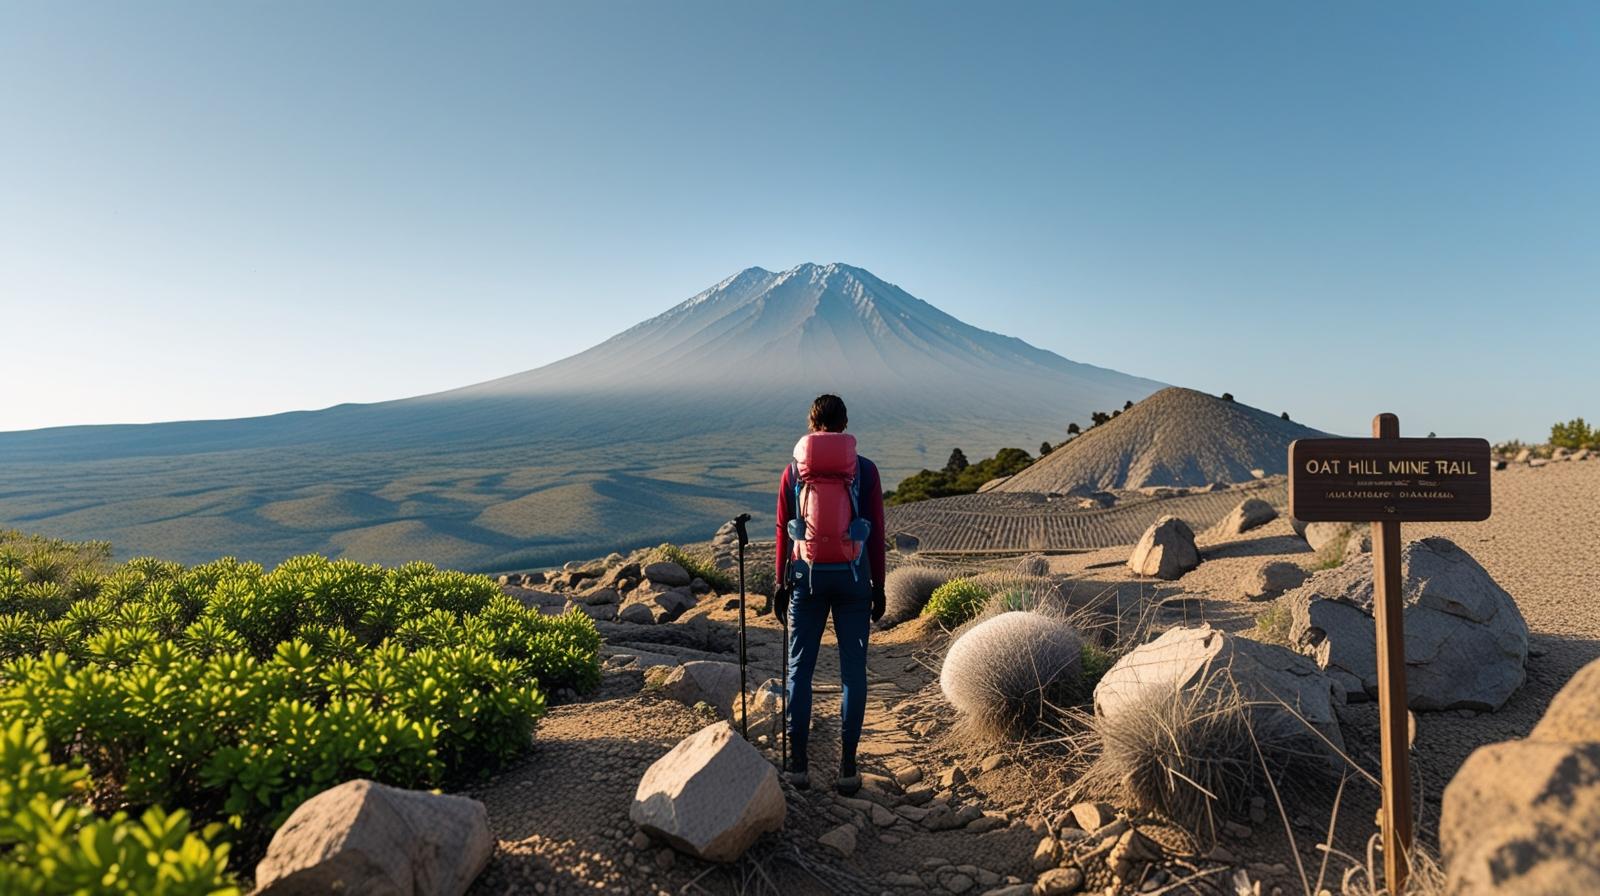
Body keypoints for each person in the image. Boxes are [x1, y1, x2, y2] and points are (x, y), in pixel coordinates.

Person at [774, 394, 886, 794]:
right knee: (853, 674)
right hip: (855, 579)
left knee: (798, 671)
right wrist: (880, 587)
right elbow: (875, 534)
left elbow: (781, 529)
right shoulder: (865, 470)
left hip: (807, 579)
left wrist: (780, 584)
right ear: (845, 425)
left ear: (811, 423)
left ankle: (798, 767)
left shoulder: (794, 471)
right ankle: (848, 768)